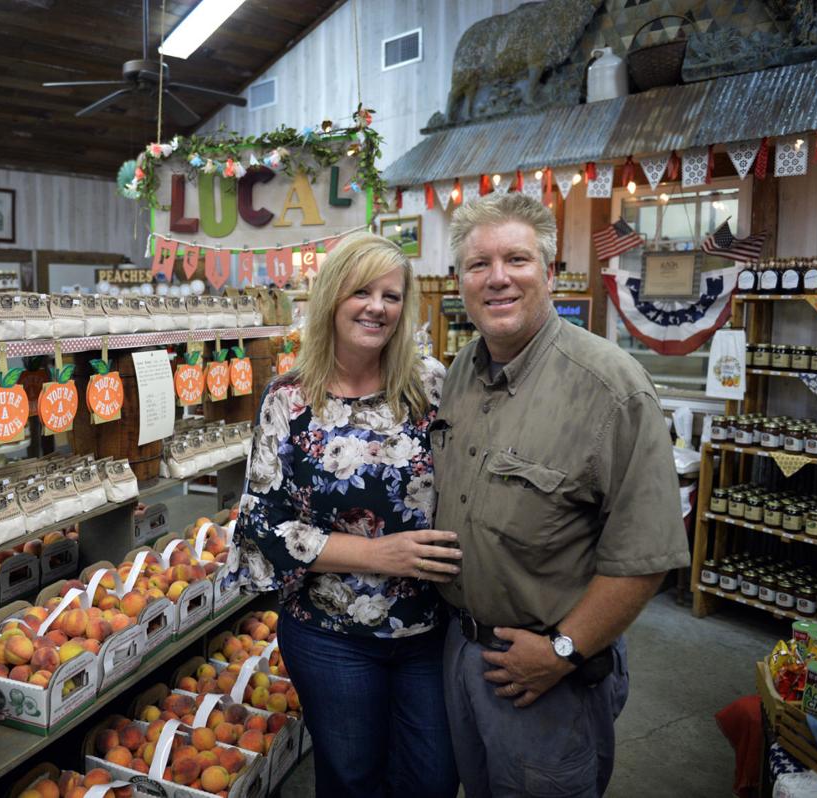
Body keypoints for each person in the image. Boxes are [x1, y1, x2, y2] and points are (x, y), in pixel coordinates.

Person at [435, 193, 690, 797]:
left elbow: (647, 552)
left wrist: (564, 651)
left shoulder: (611, 388)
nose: (497, 278)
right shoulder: (459, 374)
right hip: (459, 653)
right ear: (461, 281)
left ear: (548, 271)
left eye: (516, 259)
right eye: (478, 264)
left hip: (548, 674)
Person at [226, 231, 460, 798]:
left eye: (391, 294)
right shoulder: (290, 397)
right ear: (332, 297)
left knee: (434, 778)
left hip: (428, 626)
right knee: (353, 778)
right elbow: (263, 521)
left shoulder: (430, 384)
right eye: (361, 291)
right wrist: (380, 554)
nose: (377, 307)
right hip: (330, 634)